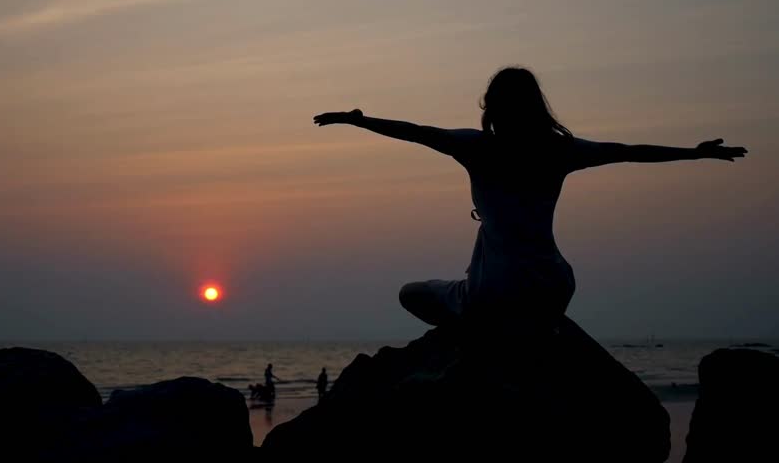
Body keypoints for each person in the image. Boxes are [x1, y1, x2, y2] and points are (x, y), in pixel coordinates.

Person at [314, 67, 746, 332]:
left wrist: (359, 121)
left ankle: (478, 340)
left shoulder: (477, 147)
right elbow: (629, 151)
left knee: (412, 292)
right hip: (553, 287)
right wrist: (696, 153)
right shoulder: (560, 150)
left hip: (497, 291)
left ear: (491, 108)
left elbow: (416, 132)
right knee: (481, 299)